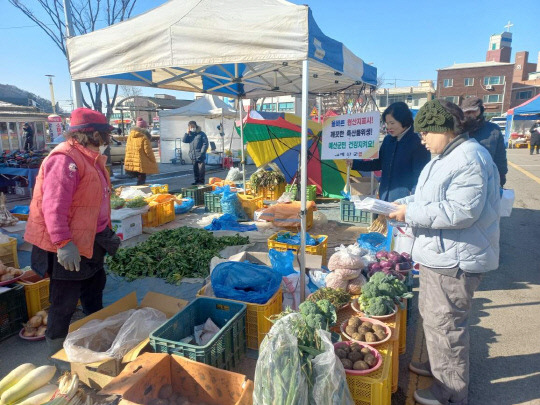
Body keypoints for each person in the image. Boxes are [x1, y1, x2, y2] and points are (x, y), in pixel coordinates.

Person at [389, 99, 500, 405]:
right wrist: (403, 205)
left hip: (455, 258)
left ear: (446, 129)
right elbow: (429, 197)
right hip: (442, 254)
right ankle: (439, 368)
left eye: (426, 132)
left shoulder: (468, 158)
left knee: (447, 325)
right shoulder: (446, 156)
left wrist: (408, 214)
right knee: (437, 320)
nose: (421, 138)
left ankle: (449, 393)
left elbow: (461, 211)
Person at [25, 107, 121, 355]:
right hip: (70, 242)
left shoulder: (89, 157)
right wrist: (64, 243)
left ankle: (95, 334)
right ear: (90, 134)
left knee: (94, 286)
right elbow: (54, 206)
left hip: (92, 238)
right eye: (104, 134)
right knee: (64, 299)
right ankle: (55, 348)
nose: (106, 140)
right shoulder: (65, 159)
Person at [347, 102, 431, 202]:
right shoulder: (388, 140)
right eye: (387, 123)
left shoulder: (418, 143)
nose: (388, 127)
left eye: (392, 123)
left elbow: (420, 176)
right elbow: (378, 163)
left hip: (404, 200)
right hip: (385, 196)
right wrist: (354, 163)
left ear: (404, 121)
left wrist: (413, 199)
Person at [460, 97, 508, 186]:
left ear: (481, 110)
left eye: (474, 111)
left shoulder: (494, 129)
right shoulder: (458, 129)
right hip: (462, 176)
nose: (471, 114)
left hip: (488, 176)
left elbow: (500, 154)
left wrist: (501, 174)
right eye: (467, 112)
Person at [124, 117, 159, 185]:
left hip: (132, 162)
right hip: (141, 162)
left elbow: (127, 149)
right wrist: (153, 160)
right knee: (141, 180)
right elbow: (148, 151)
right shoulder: (144, 137)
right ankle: (140, 192)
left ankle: (138, 191)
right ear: (144, 127)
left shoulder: (130, 136)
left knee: (138, 179)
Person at [183, 120, 209, 185]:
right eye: (191, 127)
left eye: (193, 126)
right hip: (193, 155)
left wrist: (202, 153)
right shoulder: (190, 135)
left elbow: (205, 144)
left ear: (196, 126)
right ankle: (196, 181)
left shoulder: (201, 134)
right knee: (195, 169)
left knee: (201, 170)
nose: (192, 128)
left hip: (200, 155)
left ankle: (201, 181)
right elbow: (184, 141)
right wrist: (187, 133)